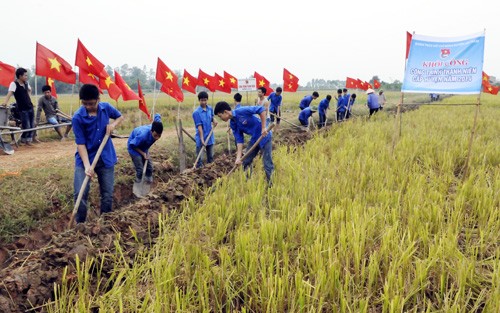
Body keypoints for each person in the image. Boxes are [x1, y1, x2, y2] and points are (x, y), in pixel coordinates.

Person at [72, 84, 125, 223]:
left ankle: (105, 222)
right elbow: (80, 144)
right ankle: (80, 225)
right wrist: (87, 166)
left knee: (107, 194)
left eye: (91, 103)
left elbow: (120, 117)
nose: (88, 106)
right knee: (80, 193)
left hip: (105, 156)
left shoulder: (106, 108)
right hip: (85, 158)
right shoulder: (77, 118)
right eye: (85, 103)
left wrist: (113, 125)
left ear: (98, 99)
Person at [214, 101, 274, 184]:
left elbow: (261, 109)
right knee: (245, 161)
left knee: (267, 162)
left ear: (225, 112)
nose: (221, 119)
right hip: (254, 139)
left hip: (265, 136)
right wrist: (238, 158)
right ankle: (249, 183)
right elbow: (239, 140)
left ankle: (271, 185)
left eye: (220, 116)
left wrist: (263, 128)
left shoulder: (241, 111)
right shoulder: (233, 124)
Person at [1, 68, 35, 145]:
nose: (26, 77)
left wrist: (29, 98)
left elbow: (30, 90)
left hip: (30, 107)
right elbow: (9, 94)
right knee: (27, 126)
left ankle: (28, 141)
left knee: (32, 125)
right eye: (25, 75)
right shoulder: (14, 84)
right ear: (20, 76)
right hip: (22, 109)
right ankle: (23, 140)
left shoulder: (26, 83)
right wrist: (5, 102)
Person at [127, 113, 163, 185]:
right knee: (140, 169)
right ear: (151, 131)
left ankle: (148, 183)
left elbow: (157, 116)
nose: (157, 138)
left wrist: (158, 115)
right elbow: (132, 145)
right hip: (134, 147)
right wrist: (143, 153)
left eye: (159, 135)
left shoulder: (158, 125)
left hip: (144, 147)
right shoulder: (143, 135)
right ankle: (138, 183)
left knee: (149, 167)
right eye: (155, 135)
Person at [192, 91, 217, 168]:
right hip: (201, 137)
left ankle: (210, 171)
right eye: (202, 100)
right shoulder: (196, 113)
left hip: (210, 136)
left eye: (205, 100)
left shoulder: (210, 109)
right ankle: (199, 171)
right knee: (200, 159)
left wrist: (214, 120)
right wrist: (202, 139)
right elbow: (199, 127)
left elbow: (211, 117)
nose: (203, 102)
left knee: (211, 157)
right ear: (199, 100)